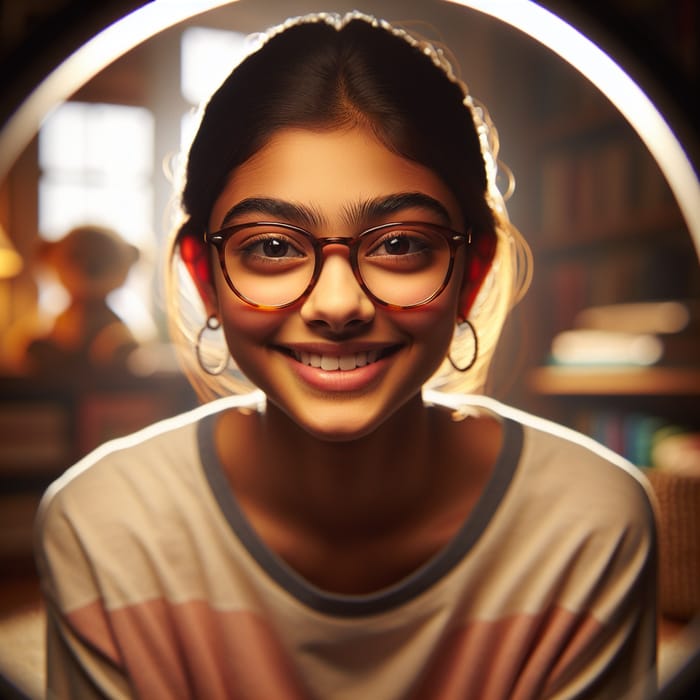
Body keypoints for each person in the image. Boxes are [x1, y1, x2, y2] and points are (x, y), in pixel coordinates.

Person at [34, 11, 658, 699]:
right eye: (272, 247)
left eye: (399, 244)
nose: (337, 304)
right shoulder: (103, 527)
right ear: (202, 274)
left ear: (471, 270)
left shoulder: (591, 524)